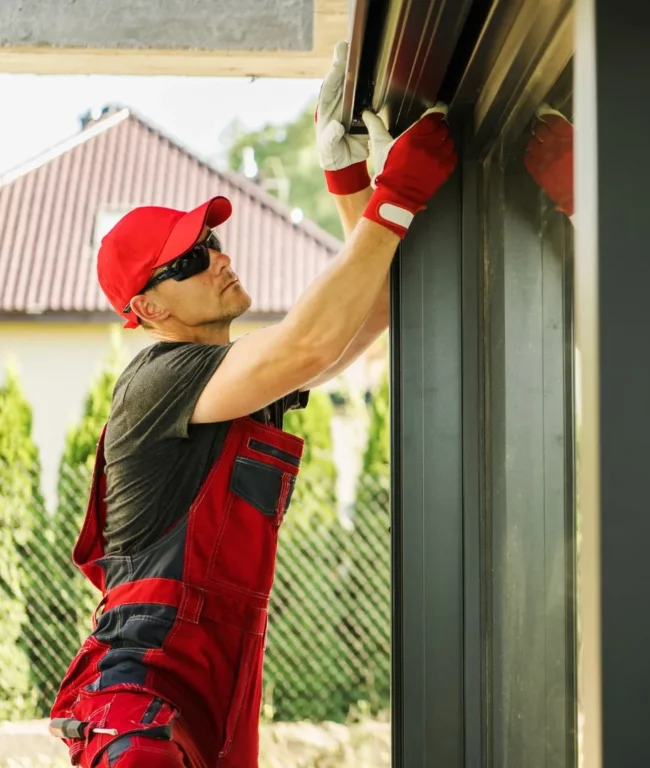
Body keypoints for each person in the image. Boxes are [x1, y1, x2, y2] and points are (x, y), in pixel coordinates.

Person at [48, 41, 456, 768]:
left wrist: (348, 176)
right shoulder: (159, 378)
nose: (218, 258)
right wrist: (394, 199)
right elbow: (307, 345)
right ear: (146, 307)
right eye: (190, 260)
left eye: (211, 241)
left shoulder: (228, 379)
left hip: (217, 677)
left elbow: (358, 321)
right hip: (144, 699)